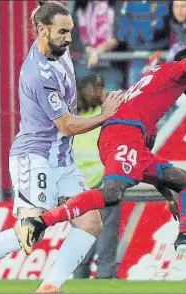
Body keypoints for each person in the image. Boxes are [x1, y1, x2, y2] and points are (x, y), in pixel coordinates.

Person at [0, 1, 122, 293]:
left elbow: (50, 11)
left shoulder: (58, 47)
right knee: (31, 233)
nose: (69, 38)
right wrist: (106, 116)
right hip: (35, 158)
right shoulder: (39, 74)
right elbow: (67, 126)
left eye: (71, 31)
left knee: (90, 222)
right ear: (41, 31)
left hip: (62, 160)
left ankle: (50, 286)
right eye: (62, 32)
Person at [19, 46, 186, 266]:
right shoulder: (174, 71)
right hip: (124, 133)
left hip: (125, 136)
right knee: (111, 193)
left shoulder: (154, 90)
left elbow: (143, 158)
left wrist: (168, 195)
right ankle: (40, 222)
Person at [72, 75, 121, 279]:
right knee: (107, 230)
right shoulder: (105, 117)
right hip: (104, 181)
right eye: (102, 88)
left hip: (78, 185)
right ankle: (105, 274)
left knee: (83, 232)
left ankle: (79, 275)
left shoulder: (74, 120)